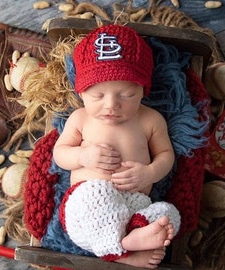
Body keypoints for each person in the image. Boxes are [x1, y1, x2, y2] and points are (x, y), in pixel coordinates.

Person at [53, 24, 181, 269]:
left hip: (135, 205)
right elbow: (60, 154)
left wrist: (150, 173)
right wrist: (83, 156)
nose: (111, 105)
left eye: (126, 95)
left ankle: (133, 238)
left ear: (143, 89)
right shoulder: (80, 118)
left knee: (168, 215)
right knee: (94, 196)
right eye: (98, 96)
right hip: (87, 209)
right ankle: (124, 252)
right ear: (81, 92)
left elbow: (166, 155)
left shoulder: (151, 120)